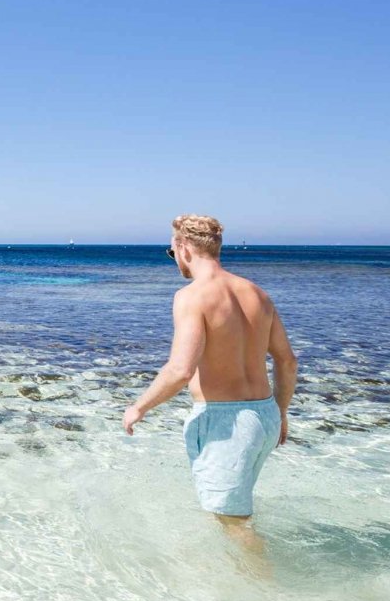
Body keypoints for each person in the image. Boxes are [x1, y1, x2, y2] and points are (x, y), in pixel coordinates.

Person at [123, 215, 297, 538]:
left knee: (235, 527)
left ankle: (265, 586)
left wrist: (139, 407)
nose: (175, 260)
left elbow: (180, 369)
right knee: (234, 517)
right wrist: (281, 413)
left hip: (226, 423)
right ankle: (231, 584)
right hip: (265, 417)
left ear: (182, 247)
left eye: (171, 253)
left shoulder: (192, 296)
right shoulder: (258, 294)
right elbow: (286, 362)